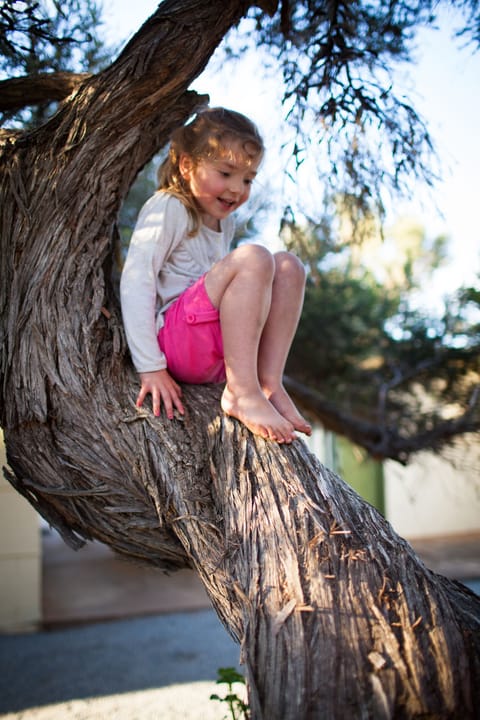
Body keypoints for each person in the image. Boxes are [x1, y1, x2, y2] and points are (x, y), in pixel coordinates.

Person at [120, 107, 311, 444]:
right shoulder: (169, 206)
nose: (237, 188)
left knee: (289, 267)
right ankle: (242, 392)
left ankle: (268, 382)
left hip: (216, 350)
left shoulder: (225, 223)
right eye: (226, 173)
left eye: (248, 179)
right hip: (176, 343)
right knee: (254, 257)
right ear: (187, 165)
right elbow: (137, 280)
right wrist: (149, 366)